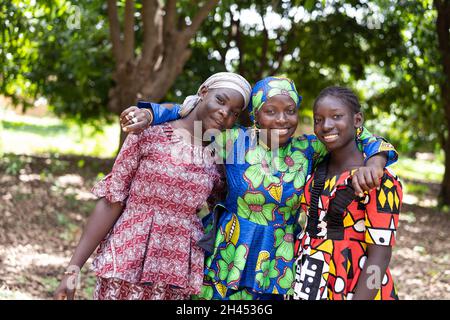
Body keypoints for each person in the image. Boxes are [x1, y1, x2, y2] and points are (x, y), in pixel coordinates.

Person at [121, 76, 398, 300]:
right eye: (271, 111)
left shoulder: (308, 148)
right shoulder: (232, 141)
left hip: (278, 259)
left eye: (290, 111)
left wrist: (377, 160)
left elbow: (359, 137)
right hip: (228, 251)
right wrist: (152, 112)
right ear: (255, 115)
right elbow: (191, 114)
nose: (282, 119)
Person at [53, 72, 252, 300]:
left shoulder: (218, 157)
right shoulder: (149, 133)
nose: (224, 113)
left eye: (234, 113)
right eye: (221, 100)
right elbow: (112, 201)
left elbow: (227, 213)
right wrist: (72, 272)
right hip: (126, 261)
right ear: (203, 92)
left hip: (175, 273)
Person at [292, 86, 402, 300]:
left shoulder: (376, 179)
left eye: (336, 116)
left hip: (352, 285)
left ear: (357, 120)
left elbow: (379, 257)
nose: (326, 125)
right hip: (309, 278)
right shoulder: (315, 169)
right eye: (318, 119)